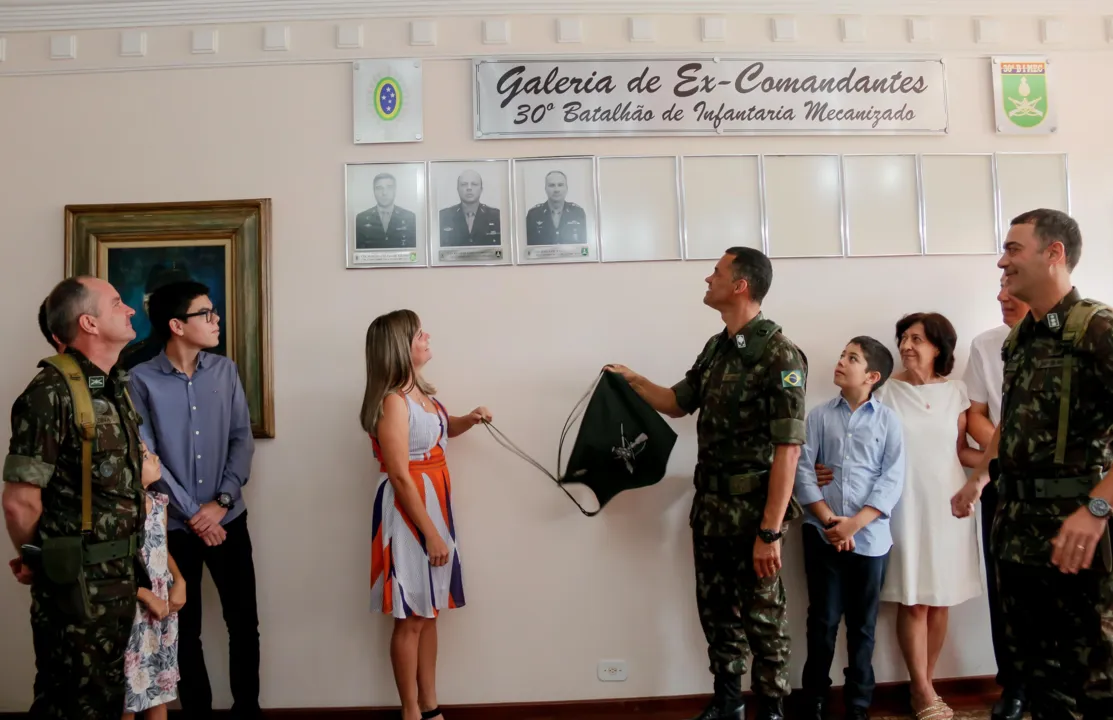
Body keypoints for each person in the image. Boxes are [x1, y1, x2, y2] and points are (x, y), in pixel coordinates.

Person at [605, 246, 808, 720]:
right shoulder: (719, 347)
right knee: (717, 613)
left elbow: (789, 450)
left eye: (715, 273)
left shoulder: (779, 354)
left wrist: (770, 531)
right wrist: (631, 380)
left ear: (740, 285)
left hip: (754, 512)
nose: (707, 279)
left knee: (764, 619)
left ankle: (773, 710)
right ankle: (729, 704)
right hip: (713, 507)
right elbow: (678, 401)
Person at [953, 208, 1113, 720]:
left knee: (1094, 683)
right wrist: (978, 479)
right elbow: (1014, 426)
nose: (1003, 261)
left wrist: (1097, 507)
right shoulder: (1022, 338)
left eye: (1013, 249)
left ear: (1054, 253)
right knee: (1038, 679)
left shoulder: (1098, 329)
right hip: (1018, 533)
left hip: (1077, 534)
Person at [2, 275, 146, 719]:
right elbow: (19, 501)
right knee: (70, 703)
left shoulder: (111, 386)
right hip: (76, 586)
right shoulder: (49, 393)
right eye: (118, 303)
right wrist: (34, 558)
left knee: (102, 699)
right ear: (89, 322)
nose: (131, 310)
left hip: (117, 576)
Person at [127, 280, 259, 720]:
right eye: (206, 313)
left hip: (229, 518)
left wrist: (220, 503)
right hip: (175, 528)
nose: (215, 319)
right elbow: (149, 460)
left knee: (244, 624)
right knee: (185, 629)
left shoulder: (226, 371)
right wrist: (195, 515)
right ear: (176, 325)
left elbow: (242, 440)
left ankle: (247, 709)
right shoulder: (140, 381)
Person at [362, 309, 492, 720]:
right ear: (401, 346)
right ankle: (411, 712)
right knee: (411, 616)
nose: (427, 337)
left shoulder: (421, 395)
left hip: (433, 500)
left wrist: (467, 421)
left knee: (429, 612)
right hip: (410, 509)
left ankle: (431, 705)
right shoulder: (392, 402)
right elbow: (400, 474)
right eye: (420, 334)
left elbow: (438, 429)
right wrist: (432, 534)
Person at [871, 312, 982, 720]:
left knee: (940, 600)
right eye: (903, 337)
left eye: (916, 338)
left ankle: (927, 685)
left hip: (950, 503)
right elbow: (869, 450)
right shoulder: (884, 392)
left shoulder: (956, 392)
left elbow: (960, 450)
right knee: (913, 597)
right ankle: (921, 690)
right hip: (904, 503)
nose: (906, 345)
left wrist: (999, 461)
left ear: (939, 347)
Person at [794, 337, 906, 720]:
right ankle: (815, 700)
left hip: (871, 540)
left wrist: (856, 524)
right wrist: (830, 522)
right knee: (822, 621)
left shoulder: (889, 421)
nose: (840, 361)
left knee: (863, 626)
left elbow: (892, 479)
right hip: (822, 534)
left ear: (872, 376)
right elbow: (803, 470)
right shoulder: (820, 416)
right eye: (842, 355)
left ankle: (859, 702)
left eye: (851, 358)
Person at [960, 278, 1031, 720]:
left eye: (1012, 288)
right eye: (999, 288)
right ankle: (1015, 685)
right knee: (1006, 593)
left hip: (1067, 486)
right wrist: (1013, 450)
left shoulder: (1084, 334)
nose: (1002, 297)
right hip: (1002, 483)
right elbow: (976, 417)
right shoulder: (988, 345)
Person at [122, 440, 185, 720]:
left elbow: (162, 548)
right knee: (128, 696)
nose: (157, 457)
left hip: (162, 612)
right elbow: (112, 567)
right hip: (134, 609)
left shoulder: (159, 503)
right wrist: (146, 596)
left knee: (159, 692)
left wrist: (180, 581)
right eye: (147, 455)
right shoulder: (120, 512)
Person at [438, 169, 501, 247]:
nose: (469, 188)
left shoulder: (496, 216)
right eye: (464, 184)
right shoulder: (444, 216)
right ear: (458, 189)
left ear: (481, 189)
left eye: (474, 184)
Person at [525, 170, 589, 246]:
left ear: (566, 188)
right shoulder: (533, 215)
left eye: (560, 185)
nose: (556, 190)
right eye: (552, 185)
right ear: (545, 188)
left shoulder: (578, 213)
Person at [356, 173, 418, 249]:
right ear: (374, 191)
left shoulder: (409, 217)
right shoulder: (361, 219)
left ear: (395, 191)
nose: (384, 193)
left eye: (389, 187)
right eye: (379, 188)